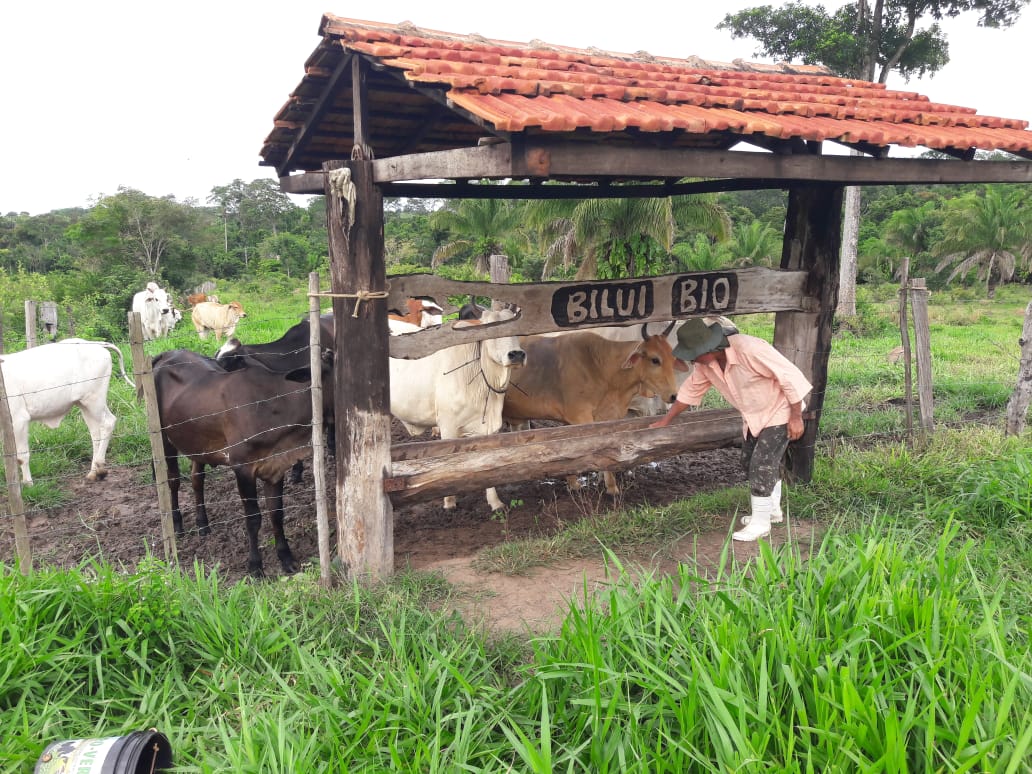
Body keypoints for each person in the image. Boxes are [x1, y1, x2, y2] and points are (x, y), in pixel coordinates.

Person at [649, 317, 813, 541]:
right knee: (748, 462)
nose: (693, 359)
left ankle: (761, 523)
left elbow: (789, 377)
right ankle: (772, 510)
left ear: (709, 348)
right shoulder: (705, 365)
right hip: (754, 415)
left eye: (694, 353)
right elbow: (690, 392)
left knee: (761, 464)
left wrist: (796, 417)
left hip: (780, 409)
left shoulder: (750, 349)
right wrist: (666, 419)